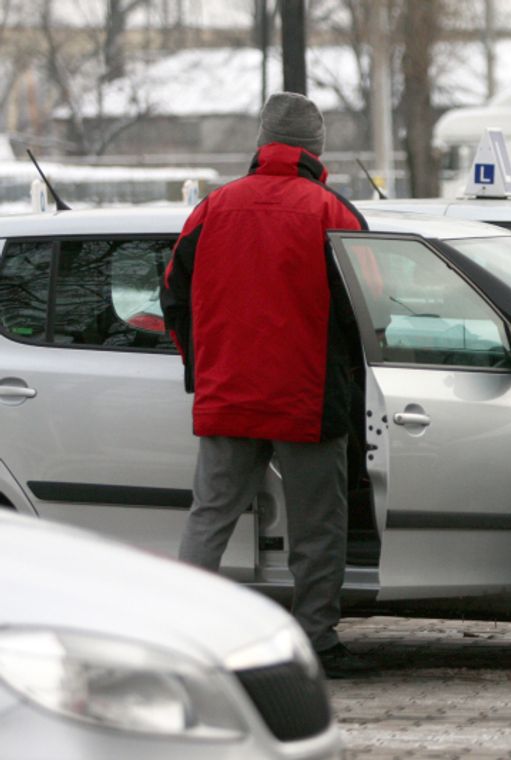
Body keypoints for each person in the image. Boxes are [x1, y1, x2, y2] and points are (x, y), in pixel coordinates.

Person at [161, 92, 373, 679]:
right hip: (306, 400)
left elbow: (173, 297)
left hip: (227, 393)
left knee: (210, 519)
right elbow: (366, 310)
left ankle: (181, 635)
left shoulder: (212, 209)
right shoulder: (333, 212)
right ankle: (317, 641)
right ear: (315, 149)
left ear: (262, 144)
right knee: (317, 529)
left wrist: (201, 369)